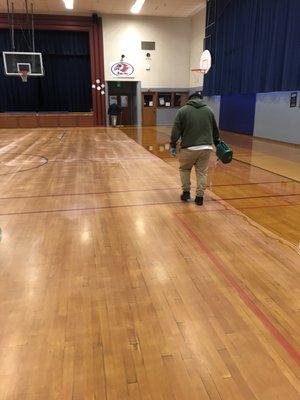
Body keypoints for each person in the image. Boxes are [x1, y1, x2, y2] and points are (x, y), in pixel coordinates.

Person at [170, 92, 220, 205]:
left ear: (190, 100)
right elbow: (215, 130)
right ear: (201, 99)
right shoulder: (209, 110)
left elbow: (176, 130)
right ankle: (199, 197)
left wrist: (173, 144)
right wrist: (217, 144)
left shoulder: (182, 111)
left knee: (185, 169)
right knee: (202, 172)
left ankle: (186, 193)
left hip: (188, 147)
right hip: (206, 147)